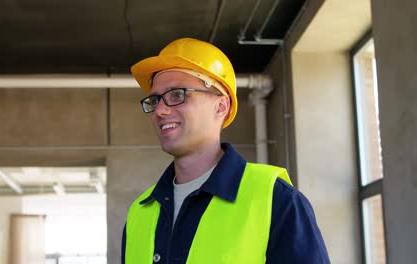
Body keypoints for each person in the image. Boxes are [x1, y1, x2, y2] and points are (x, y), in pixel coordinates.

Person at [122, 37, 330, 263]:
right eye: (155, 99)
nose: (159, 110)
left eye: (177, 95)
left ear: (221, 106)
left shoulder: (275, 200)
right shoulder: (139, 213)